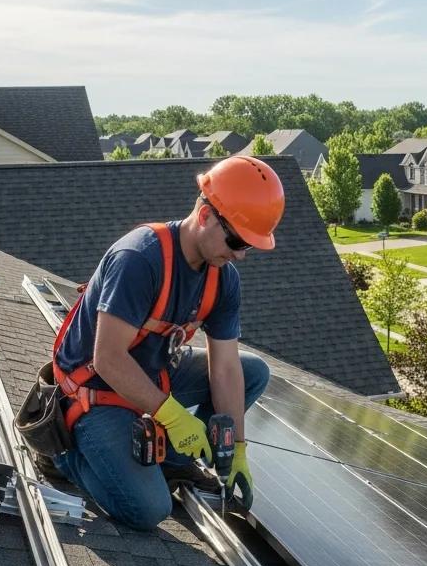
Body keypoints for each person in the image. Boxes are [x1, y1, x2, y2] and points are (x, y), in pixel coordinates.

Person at [51, 156, 284, 530]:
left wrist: (238, 448)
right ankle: (66, 457)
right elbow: (108, 358)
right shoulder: (140, 258)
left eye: (249, 247)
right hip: (95, 390)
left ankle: (174, 459)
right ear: (206, 216)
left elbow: (224, 368)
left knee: (252, 371)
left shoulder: (223, 279)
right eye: (237, 240)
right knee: (148, 509)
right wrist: (174, 417)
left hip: (154, 375)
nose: (240, 254)